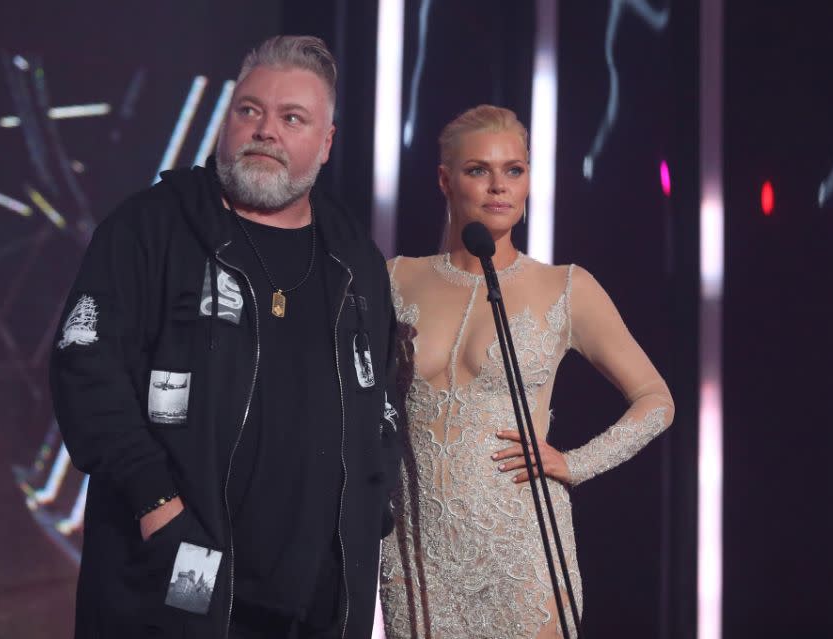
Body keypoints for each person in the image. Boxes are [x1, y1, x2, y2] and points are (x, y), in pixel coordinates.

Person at [50, 35, 402, 639]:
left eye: (292, 118)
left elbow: (383, 395)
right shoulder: (150, 228)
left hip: (313, 602)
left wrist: (374, 508)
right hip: (180, 582)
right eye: (250, 110)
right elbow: (86, 371)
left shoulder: (355, 260)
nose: (265, 130)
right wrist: (157, 506)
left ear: (326, 143)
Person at [378, 105, 675, 638]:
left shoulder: (565, 287)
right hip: (417, 554)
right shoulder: (395, 279)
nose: (499, 187)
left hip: (523, 549)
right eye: (478, 170)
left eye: (514, 170)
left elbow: (656, 399)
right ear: (445, 180)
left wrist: (575, 463)